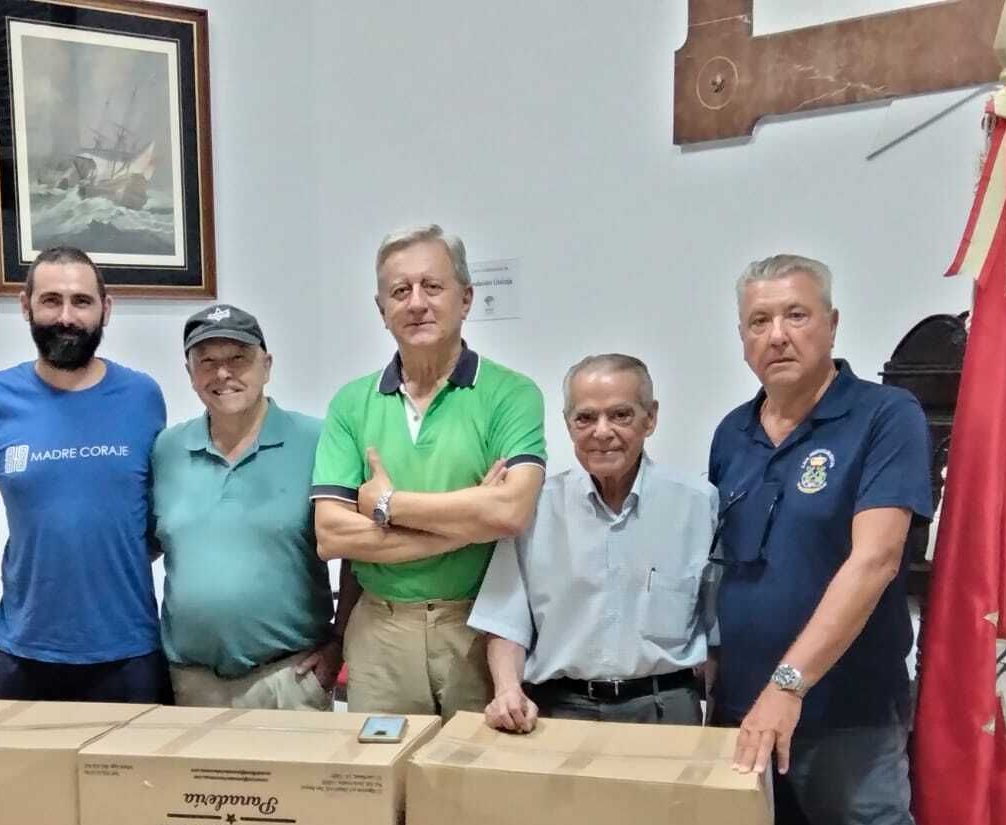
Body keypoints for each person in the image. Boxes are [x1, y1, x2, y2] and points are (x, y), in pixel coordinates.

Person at [708, 253, 933, 825]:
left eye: (795, 315)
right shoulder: (732, 433)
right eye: (758, 321)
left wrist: (788, 685)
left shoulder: (886, 416)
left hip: (845, 717)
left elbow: (875, 560)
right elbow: (725, 565)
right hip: (744, 714)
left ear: (832, 324)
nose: (776, 334)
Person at [311, 224, 547, 716]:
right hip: (380, 632)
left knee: (477, 782)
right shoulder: (351, 404)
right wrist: (465, 526)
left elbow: (510, 511)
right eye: (400, 292)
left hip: (479, 628)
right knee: (380, 783)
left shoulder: (512, 394)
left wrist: (385, 505)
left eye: (432, 287)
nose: (416, 303)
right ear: (382, 311)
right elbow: (331, 534)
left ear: (465, 299)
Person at [0, 246, 169, 702]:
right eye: (51, 300)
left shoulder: (143, 397)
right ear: (26, 306)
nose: (66, 317)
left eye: (82, 301)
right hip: (21, 653)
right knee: (20, 776)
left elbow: (156, 514)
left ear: (105, 310)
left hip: (130, 651)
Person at [471, 353, 716, 731]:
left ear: (650, 418)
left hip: (665, 710)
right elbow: (505, 621)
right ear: (568, 425)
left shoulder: (698, 505)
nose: (602, 432)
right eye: (585, 418)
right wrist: (506, 689)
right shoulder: (534, 507)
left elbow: (718, 629)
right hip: (558, 709)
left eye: (621, 415)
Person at [151, 304, 347, 709]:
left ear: (267, 364)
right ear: (190, 374)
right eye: (207, 361)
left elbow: (360, 555)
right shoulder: (166, 450)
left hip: (290, 680)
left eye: (238, 358)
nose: (223, 373)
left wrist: (340, 643)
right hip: (188, 683)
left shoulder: (317, 440)